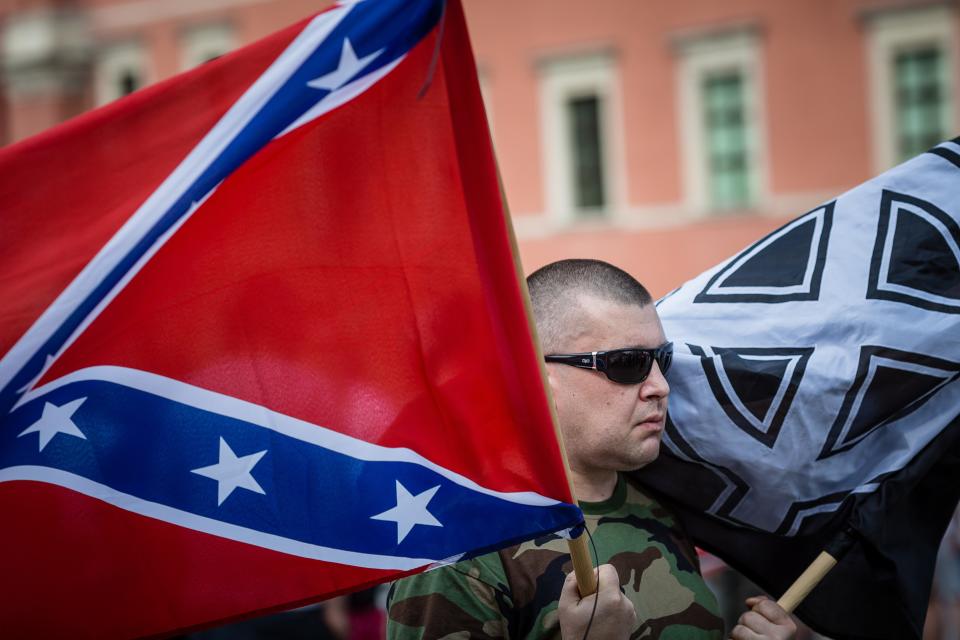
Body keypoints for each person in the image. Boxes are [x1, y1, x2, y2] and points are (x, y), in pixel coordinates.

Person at [386, 259, 796, 639]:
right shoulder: (462, 546)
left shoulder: (662, 504)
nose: (660, 386)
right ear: (536, 376)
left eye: (662, 360)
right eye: (627, 363)